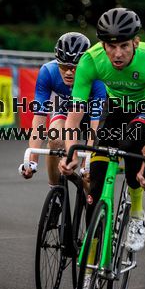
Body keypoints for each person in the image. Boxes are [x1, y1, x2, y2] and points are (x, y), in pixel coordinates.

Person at [59, 8, 145, 253]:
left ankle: (137, 213)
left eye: (124, 46)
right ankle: (91, 262)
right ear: (102, 45)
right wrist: (71, 154)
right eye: (111, 46)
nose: (117, 54)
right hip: (116, 107)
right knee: (95, 182)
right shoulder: (90, 60)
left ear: (136, 43)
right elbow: (73, 120)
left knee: (131, 148)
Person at [20, 32, 106, 183]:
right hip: (66, 112)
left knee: (89, 180)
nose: (68, 72)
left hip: (92, 117)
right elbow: (39, 118)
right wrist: (32, 160)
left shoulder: (96, 76)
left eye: (74, 67)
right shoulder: (48, 71)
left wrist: (87, 160)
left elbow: (95, 123)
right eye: (63, 65)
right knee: (54, 138)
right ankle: (55, 189)